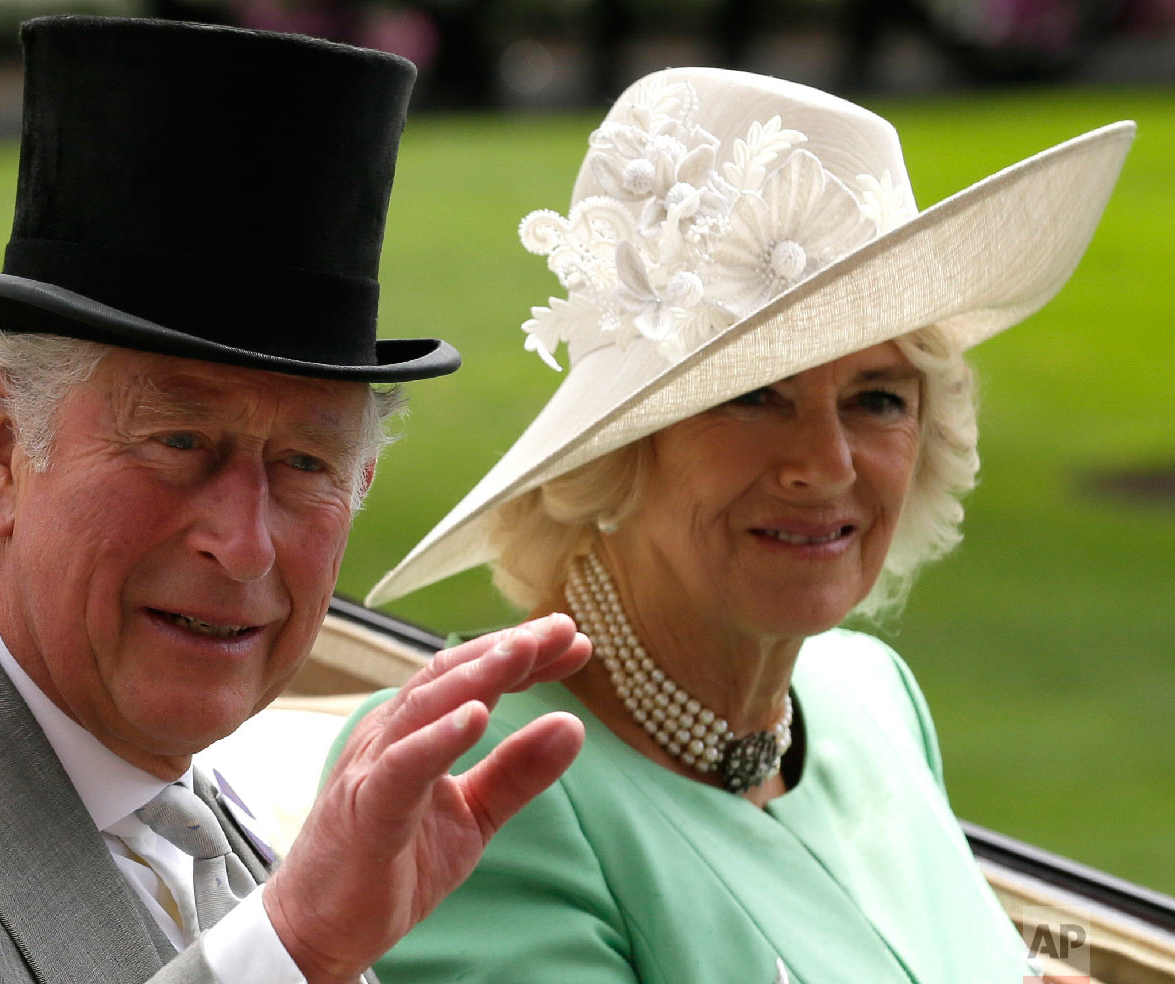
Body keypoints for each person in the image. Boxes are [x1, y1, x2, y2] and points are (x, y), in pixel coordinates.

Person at [0, 17, 593, 984]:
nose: (244, 547)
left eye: (306, 465)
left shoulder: (206, 817)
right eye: (179, 442)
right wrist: (294, 952)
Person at [342, 68, 1134, 981]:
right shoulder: (478, 767)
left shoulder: (869, 697)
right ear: (620, 451)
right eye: (756, 396)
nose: (827, 464)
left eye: (877, 399)